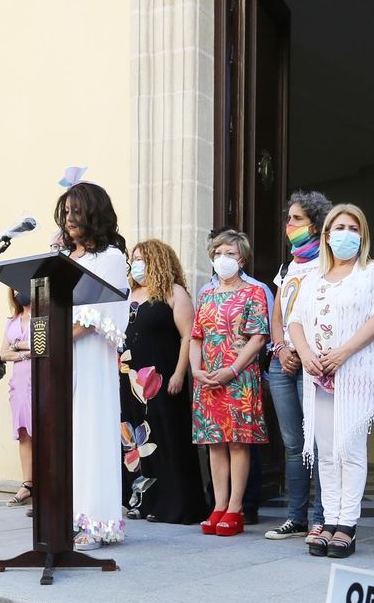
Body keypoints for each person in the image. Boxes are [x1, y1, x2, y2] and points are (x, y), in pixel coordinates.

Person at [288, 203, 374, 558]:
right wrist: (305, 354)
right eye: (339, 227)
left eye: (352, 227)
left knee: (349, 449)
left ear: (361, 235)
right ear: (327, 235)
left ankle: (347, 525)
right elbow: (296, 321)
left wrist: (343, 353)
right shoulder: (314, 276)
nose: (345, 233)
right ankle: (329, 520)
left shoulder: (372, 271)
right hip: (317, 374)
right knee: (326, 453)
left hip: (354, 372)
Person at [56, 180, 130, 550]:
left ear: (94, 213)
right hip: (62, 361)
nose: (70, 218)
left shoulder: (112, 259)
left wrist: (58, 336)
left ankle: (96, 521)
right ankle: (68, 514)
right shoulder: (68, 260)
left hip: (91, 358)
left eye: (77, 211)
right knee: (68, 437)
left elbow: (98, 315)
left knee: (91, 433)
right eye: (66, 211)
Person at [190, 229, 269, 536]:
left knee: (237, 442)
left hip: (239, 377)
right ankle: (218, 506)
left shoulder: (253, 292)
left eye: (230, 254)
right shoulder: (206, 294)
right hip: (208, 378)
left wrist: (233, 369)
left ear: (242, 258)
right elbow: (196, 335)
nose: (223, 258)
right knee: (214, 442)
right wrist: (196, 370)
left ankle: (235, 508)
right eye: (218, 253)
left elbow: (258, 337)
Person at [121, 237, 206, 524]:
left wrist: (180, 373)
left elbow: (188, 335)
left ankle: (173, 504)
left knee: (166, 437)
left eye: (143, 258)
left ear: (158, 260)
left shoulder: (174, 293)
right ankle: (141, 501)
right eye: (134, 258)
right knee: (134, 440)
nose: (137, 264)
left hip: (161, 377)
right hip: (129, 379)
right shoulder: (128, 294)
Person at [263, 190, 331, 545]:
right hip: (282, 362)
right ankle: (296, 517)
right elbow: (278, 314)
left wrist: (301, 352)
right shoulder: (288, 266)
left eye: (296, 219)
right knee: (292, 444)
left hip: (312, 361)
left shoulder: (329, 263)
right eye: (288, 219)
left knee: (316, 443)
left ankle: (321, 518)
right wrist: (280, 348)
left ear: (315, 224)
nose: (288, 225)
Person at [0, 286, 34, 507]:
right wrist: (25, 352)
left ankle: (49, 483)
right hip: (19, 383)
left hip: (40, 379)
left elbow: (46, 344)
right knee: (23, 433)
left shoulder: (43, 317)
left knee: (42, 431)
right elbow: (3, 354)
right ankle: (28, 484)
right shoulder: (11, 321)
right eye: (14, 287)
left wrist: (18, 347)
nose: (18, 290)